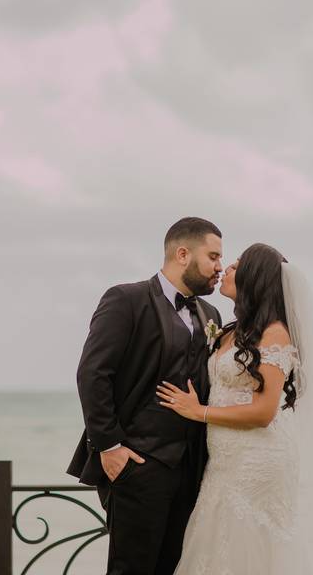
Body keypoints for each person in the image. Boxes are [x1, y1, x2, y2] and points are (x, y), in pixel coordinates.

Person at [156, 243, 313, 574]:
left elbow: (264, 412)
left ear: (254, 278)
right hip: (224, 462)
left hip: (259, 460)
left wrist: (199, 412)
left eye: (235, 266)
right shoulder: (230, 330)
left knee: (250, 551)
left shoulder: (275, 333)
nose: (225, 270)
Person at [67, 217, 224, 575]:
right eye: (213, 256)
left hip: (193, 470)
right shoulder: (127, 299)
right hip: (137, 463)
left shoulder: (211, 314)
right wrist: (109, 446)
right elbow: (93, 373)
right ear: (183, 254)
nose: (219, 267)